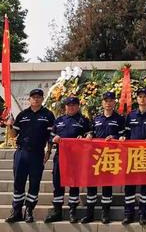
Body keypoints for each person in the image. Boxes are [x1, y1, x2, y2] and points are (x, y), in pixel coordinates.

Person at [5, 89, 55, 223]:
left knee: (34, 183)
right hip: (21, 153)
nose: (36, 99)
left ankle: (29, 210)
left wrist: (48, 152)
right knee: (18, 183)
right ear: (29, 99)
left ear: (42, 99)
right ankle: (16, 211)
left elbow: (51, 137)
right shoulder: (22, 115)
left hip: (37, 154)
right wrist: (9, 125)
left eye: (39, 97)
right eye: (34, 97)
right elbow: (13, 135)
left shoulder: (48, 115)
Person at [44, 96, 91, 224]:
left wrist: (86, 136)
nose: (71, 107)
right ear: (65, 107)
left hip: (76, 158)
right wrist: (53, 140)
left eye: (74, 105)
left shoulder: (83, 120)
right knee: (57, 182)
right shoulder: (59, 120)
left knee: (74, 184)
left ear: (78, 106)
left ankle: (72, 211)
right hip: (60, 156)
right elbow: (51, 136)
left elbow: (90, 135)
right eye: (69, 105)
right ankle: (57, 211)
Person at [81, 91, 125, 224]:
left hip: (110, 156)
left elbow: (123, 136)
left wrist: (115, 137)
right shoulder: (96, 119)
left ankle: (105, 213)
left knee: (107, 185)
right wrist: (88, 136)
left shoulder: (120, 119)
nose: (108, 103)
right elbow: (91, 132)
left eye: (111, 100)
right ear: (102, 103)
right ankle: (90, 213)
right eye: (106, 100)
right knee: (92, 185)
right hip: (95, 156)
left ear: (114, 102)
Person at [119, 87, 146, 225]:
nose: (142, 99)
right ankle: (128, 214)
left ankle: (143, 214)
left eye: (145, 96)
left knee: (145, 186)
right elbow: (125, 133)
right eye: (140, 96)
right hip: (132, 154)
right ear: (137, 99)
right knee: (129, 186)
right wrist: (123, 138)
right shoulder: (130, 115)